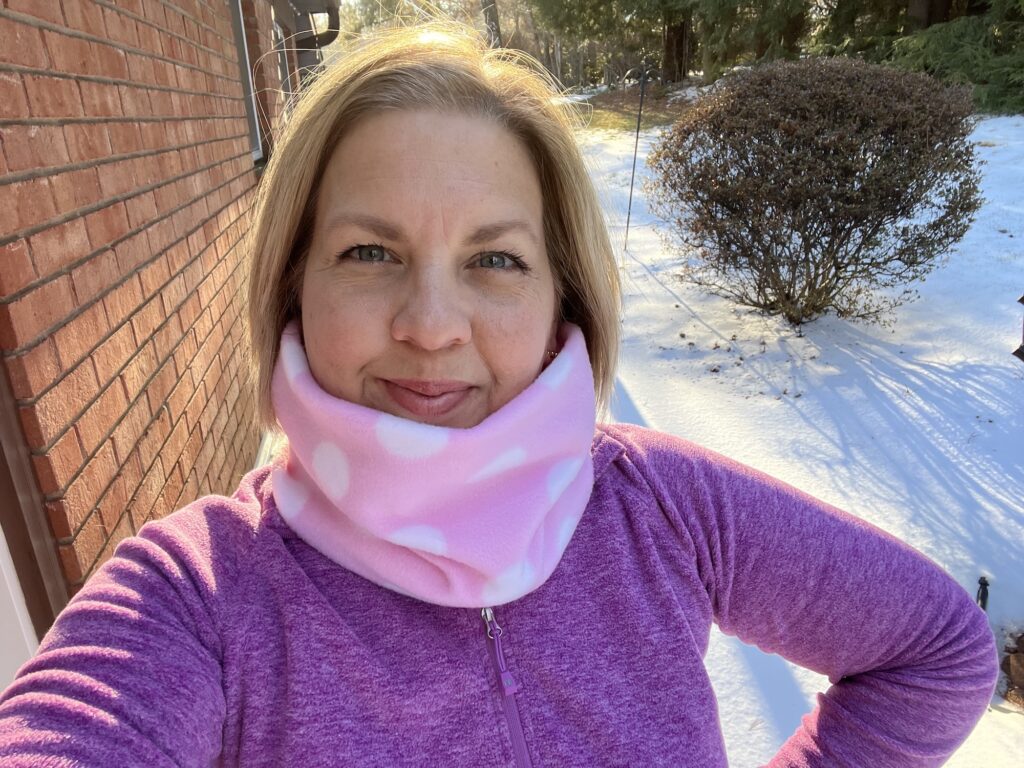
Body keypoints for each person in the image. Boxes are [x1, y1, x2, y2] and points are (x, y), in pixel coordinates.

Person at [0, 21, 998, 767]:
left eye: (494, 260)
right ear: (291, 283)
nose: (431, 324)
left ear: (560, 292)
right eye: (367, 250)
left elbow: (935, 652)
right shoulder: (200, 592)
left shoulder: (662, 509)